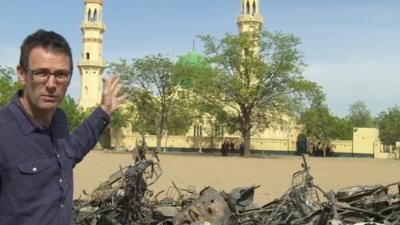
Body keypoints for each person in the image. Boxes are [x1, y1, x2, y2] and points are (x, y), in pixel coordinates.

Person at [0, 29, 127, 225]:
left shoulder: (58, 119)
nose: (51, 84)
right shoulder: (4, 132)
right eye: (41, 73)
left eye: (61, 75)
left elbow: (70, 152)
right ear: (22, 74)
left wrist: (104, 112)